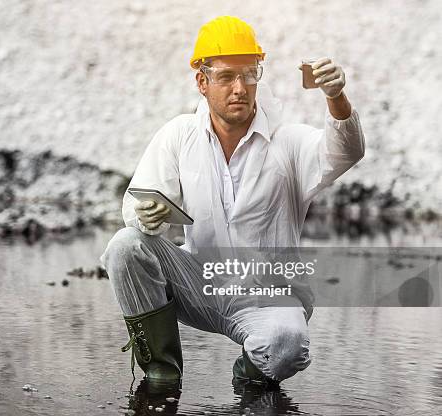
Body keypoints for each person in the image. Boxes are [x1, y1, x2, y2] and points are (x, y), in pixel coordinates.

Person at [100, 15, 365, 388]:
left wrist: (336, 99)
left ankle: (252, 376)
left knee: (286, 345)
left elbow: (345, 151)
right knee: (125, 245)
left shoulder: (286, 142)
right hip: (199, 283)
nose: (240, 88)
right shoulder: (179, 136)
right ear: (202, 82)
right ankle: (161, 372)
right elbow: (137, 205)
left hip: (266, 294)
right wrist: (147, 215)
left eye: (249, 74)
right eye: (226, 77)